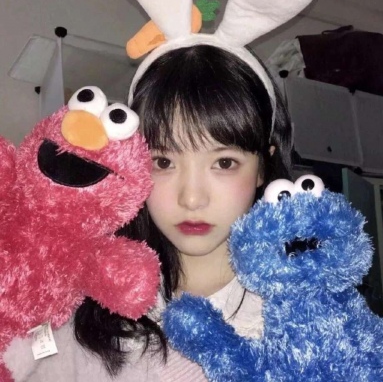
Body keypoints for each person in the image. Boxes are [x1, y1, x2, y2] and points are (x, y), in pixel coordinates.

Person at [4, 44, 292, 382]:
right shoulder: (73, 300)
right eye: (164, 162)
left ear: (263, 166)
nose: (192, 198)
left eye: (224, 163)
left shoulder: (303, 315)